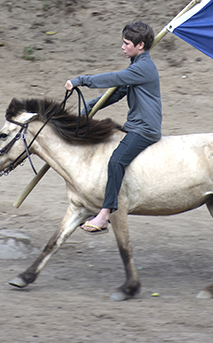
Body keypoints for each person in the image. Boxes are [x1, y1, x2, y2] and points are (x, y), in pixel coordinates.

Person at [65, 20, 162, 233]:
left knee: (116, 161)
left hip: (145, 129)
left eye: (127, 43)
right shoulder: (136, 65)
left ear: (141, 46)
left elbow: (114, 78)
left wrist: (80, 80)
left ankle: (104, 215)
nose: (123, 47)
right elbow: (117, 91)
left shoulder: (144, 68)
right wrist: (90, 107)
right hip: (134, 125)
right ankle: (96, 206)